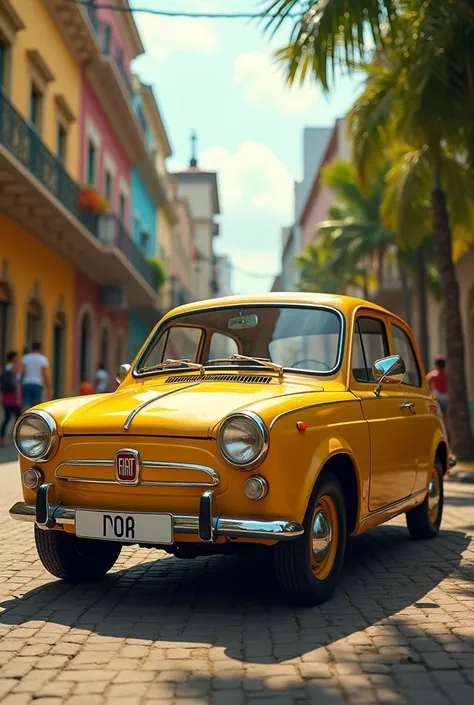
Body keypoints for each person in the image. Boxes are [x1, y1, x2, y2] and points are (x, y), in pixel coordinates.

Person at [20, 342, 51, 409]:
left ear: (31, 348)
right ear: (40, 349)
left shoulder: (25, 358)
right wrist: (48, 389)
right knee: (36, 406)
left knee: (26, 405)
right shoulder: (43, 359)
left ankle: (25, 418)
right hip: (37, 384)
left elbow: (21, 373)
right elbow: (44, 375)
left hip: (26, 383)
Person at [0, 351, 22, 446]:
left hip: (6, 397)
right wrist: (19, 398)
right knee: (18, 419)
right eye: (17, 357)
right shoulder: (15, 369)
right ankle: (17, 439)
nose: (18, 359)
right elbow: (17, 384)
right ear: (13, 358)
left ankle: (1, 439)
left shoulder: (4, 368)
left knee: (7, 418)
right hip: (13, 397)